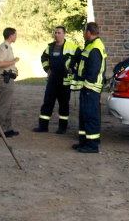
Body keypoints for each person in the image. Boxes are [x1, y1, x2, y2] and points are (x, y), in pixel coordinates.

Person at [34, 26, 81, 134]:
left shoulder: (72, 47)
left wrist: (73, 69)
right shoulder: (50, 47)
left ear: (64, 34)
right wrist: (47, 69)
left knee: (64, 106)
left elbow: (80, 59)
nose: (57, 35)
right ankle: (43, 126)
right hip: (52, 81)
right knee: (47, 103)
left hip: (65, 82)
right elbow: (44, 57)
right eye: (55, 33)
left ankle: (62, 128)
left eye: (59, 33)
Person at [71, 22, 106, 153]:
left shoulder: (95, 47)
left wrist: (86, 84)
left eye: (85, 31)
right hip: (87, 88)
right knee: (84, 115)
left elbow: (94, 70)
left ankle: (92, 145)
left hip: (91, 88)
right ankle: (84, 141)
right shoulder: (91, 45)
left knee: (91, 116)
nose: (84, 34)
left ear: (88, 33)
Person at [0, 27, 20, 137]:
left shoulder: (8, 47)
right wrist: (13, 61)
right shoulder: (3, 47)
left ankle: (8, 128)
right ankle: (1, 129)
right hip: (5, 78)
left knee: (9, 104)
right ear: (11, 36)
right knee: (4, 104)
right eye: (15, 34)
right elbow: (0, 64)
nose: (16, 36)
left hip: (9, 78)